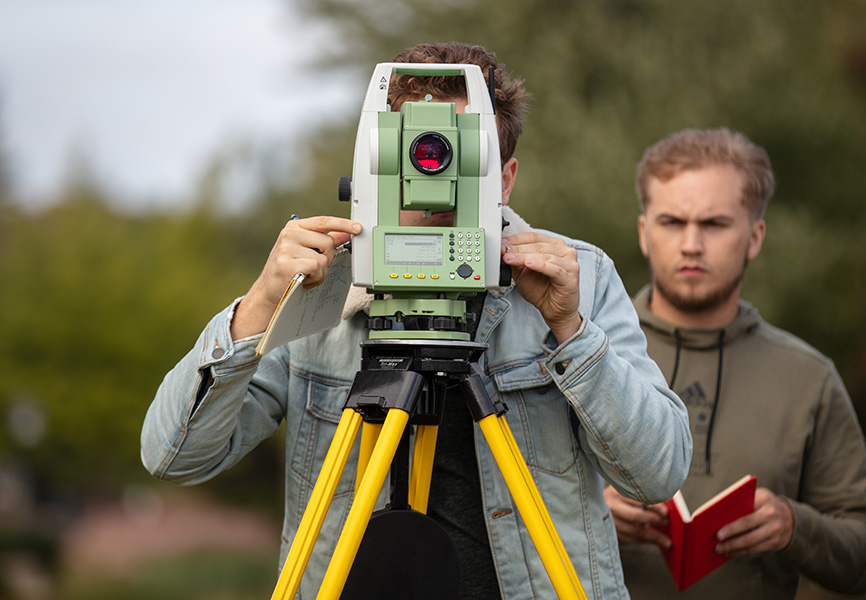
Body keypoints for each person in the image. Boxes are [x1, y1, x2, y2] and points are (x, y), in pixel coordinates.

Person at [141, 42, 692, 600]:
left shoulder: (579, 278)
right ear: (372, 167)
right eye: (414, 157)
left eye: (459, 157)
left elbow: (657, 475)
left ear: (504, 179)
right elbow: (174, 456)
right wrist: (260, 303)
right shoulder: (318, 292)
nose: (434, 186)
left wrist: (571, 331)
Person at [604, 127, 866, 599]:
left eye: (714, 224)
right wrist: (590, 509)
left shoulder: (809, 379)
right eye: (673, 222)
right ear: (644, 233)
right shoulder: (581, 357)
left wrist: (794, 526)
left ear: (755, 236)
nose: (691, 244)